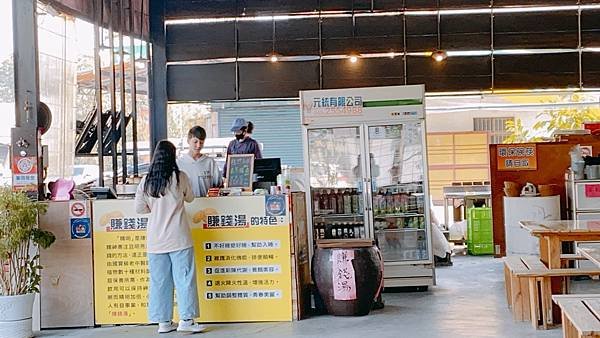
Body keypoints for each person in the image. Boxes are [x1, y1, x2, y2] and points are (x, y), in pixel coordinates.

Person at [134, 140, 205, 334]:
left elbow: (139, 208)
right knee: (184, 279)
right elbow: (190, 198)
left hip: (155, 240)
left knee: (159, 281)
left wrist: (155, 208)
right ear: (172, 156)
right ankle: (186, 321)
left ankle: (163, 322)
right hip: (179, 237)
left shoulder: (146, 180)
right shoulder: (180, 177)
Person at [177, 126, 223, 197]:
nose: (198, 145)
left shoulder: (210, 162)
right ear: (188, 141)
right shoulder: (179, 163)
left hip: (208, 205)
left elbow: (219, 185)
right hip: (187, 206)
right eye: (195, 142)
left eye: (201, 143)